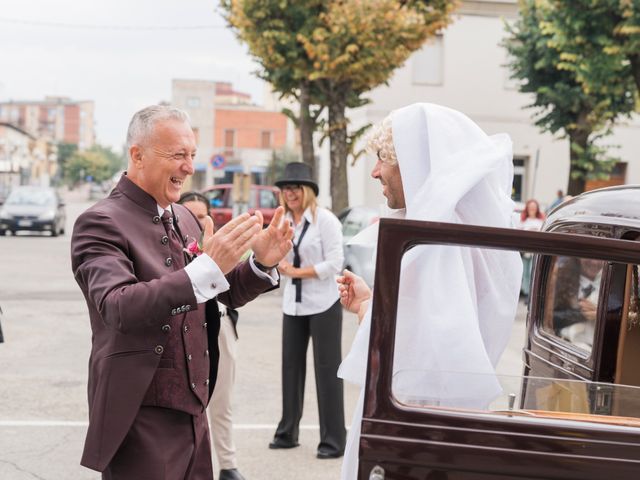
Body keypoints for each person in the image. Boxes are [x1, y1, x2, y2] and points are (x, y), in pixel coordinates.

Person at [70, 105, 294, 479]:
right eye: (177, 155)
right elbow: (118, 306)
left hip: (194, 412)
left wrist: (261, 264)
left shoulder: (184, 217)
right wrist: (207, 267)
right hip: (140, 415)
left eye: (191, 155)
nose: (189, 167)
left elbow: (220, 292)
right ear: (137, 154)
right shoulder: (100, 222)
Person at [336, 103, 522, 479]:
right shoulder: (458, 234)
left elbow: (428, 362)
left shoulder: (438, 245)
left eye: (381, 160)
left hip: (414, 431)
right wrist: (370, 304)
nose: (374, 172)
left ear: (414, 164)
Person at [269, 162, 346, 459]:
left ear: (308, 191)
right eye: (285, 188)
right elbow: (275, 257)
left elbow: (335, 263)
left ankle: (333, 441)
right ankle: (287, 432)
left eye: (295, 187)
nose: (289, 193)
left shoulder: (325, 221)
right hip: (294, 305)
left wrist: (297, 272)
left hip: (323, 304)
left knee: (327, 372)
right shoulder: (283, 221)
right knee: (290, 369)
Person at [178, 191, 246, 480]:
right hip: (184, 334)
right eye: (188, 213)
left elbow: (236, 286)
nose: (196, 219)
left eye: (202, 214)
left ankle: (228, 465)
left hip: (220, 327)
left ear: (210, 218)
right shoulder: (168, 250)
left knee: (222, 401)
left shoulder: (221, 247)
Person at [517, 199, 545, 298]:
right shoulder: (523, 221)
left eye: (534, 207)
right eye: (530, 207)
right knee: (524, 272)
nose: (532, 209)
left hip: (536, 251)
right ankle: (525, 292)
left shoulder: (541, 221)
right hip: (525, 251)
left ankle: (532, 293)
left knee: (532, 271)